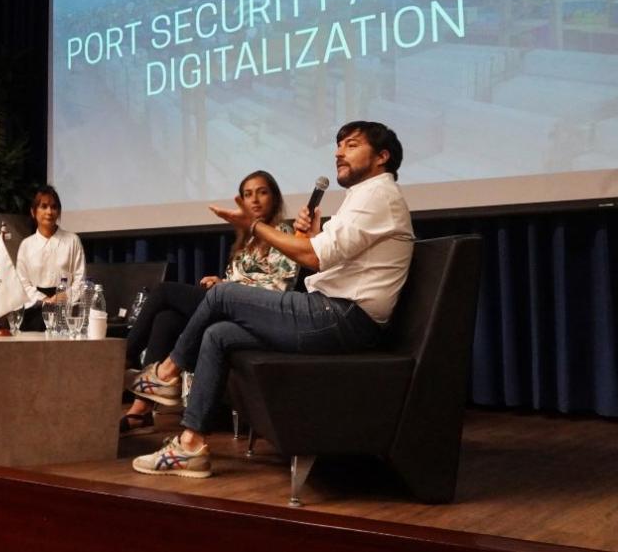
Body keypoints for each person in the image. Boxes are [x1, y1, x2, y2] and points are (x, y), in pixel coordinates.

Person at [127, 121, 414, 478]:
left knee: (222, 295)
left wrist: (254, 225)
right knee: (218, 335)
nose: (339, 152)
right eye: (338, 146)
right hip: (333, 313)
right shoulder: (365, 197)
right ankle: (190, 444)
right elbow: (323, 257)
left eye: (351, 145)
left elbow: (312, 259)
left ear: (382, 157)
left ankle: (167, 373)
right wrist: (313, 235)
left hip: (342, 318)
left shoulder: (378, 195)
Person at [120, 170, 297, 436]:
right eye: (248, 195)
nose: (255, 200)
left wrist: (228, 287)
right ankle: (140, 411)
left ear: (274, 198)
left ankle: (122, 358)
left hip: (260, 314)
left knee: (165, 291)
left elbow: (280, 285)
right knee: (166, 319)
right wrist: (221, 280)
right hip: (228, 306)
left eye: (262, 192)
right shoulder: (245, 240)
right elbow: (237, 279)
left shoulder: (284, 232)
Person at [15, 185, 85, 331]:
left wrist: (64, 297)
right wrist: (45, 300)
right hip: (34, 311)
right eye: (44, 206)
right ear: (34, 212)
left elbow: (80, 278)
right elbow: (22, 282)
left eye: (54, 207)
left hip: (65, 309)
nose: (49, 212)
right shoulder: (26, 245)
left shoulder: (72, 240)